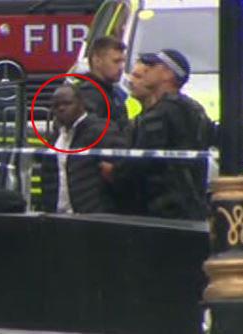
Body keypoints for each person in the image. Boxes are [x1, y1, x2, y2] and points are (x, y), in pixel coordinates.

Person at [105, 49, 216, 219]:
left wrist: (114, 171)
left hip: (162, 211)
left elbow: (141, 161)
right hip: (192, 206)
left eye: (153, 66)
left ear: (167, 74)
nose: (147, 70)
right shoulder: (194, 109)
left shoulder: (161, 114)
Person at [41, 85, 125, 214]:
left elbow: (121, 169)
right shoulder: (56, 136)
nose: (61, 108)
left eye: (67, 103)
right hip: (58, 215)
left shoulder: (100, 130)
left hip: (93, 216)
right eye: (56, 105)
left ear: (81, 104)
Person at [80, 36, 129, 131]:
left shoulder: (112, 92)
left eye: (123, 61)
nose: (121, 67)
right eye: (116, 61)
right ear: (97, 61)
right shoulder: (89, 94)